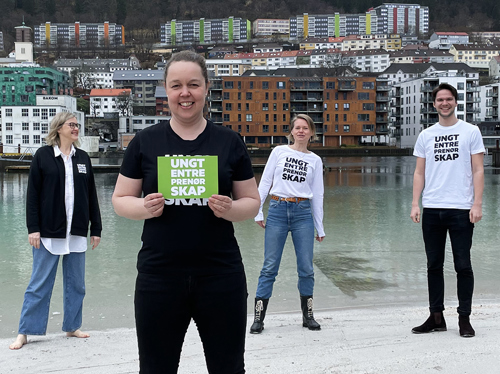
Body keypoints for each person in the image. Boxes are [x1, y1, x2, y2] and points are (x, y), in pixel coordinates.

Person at [112, 50, 260, 373]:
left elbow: (252, 202)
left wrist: (231, 208)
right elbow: (120, 199)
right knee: (155, 369)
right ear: (166, 89)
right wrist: (145, 207)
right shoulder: (145, 142)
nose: (185, 93)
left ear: (206, 87)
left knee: (229, 368)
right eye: (176, 85)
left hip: (221, 275)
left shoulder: (229, 142)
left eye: (193, 84)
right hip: (159, 277)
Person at [9, 112, 102, 350]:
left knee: (76, 284)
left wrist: (96, 228)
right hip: (48, 231)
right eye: (72, 124)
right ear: (58, 128)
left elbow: (91, 195)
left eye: (77, 125)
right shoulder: (43, 156)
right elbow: (33, 196)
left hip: (77, 231)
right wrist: (33, 228)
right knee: (39, 283)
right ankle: (25, 331)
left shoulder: (82, 158)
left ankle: (72, 326)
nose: (76, 128)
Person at [410, 83, 484, 338]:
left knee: (463, 265)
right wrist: (414, 203)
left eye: (449, 99)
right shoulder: (426, 135)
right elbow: (419, 172)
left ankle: (464, 318)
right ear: (434, 104)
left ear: (455, 101)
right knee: (434, 265)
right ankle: (436, 317)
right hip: (432, 208)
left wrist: (477, 204)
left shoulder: (470, 131)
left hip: (461, 208)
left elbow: (478, 170)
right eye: (440, 99)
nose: (444, 103)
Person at [250, 114, 325, 334]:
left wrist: (319, 226)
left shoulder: (315, 160)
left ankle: (308, 316)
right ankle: (258, 319)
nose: (301, 131)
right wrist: (257, 211)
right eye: (297, 128)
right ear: (291, 131)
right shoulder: (279, 152)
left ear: (311, 132)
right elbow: (264, 182)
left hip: (303, 213)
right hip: (277, 210)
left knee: (306, 268)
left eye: (305, 128)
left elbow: (318, 194)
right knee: (269, 266)